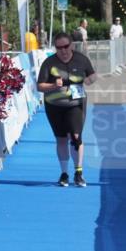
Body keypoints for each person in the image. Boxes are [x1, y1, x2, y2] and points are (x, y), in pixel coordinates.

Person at [37, 31, 97, 187]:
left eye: (66, 46)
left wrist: (89, 79)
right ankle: (64, 174)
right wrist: (52, 85)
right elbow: (40, 86)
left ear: (71, 45)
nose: (63, 51)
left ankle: (79, 173)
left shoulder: (81, 59)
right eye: (59, 48)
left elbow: (92, 76)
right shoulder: (49, 63)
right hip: (54, 106)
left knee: (76, 136)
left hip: (76, 104)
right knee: (61, 139)